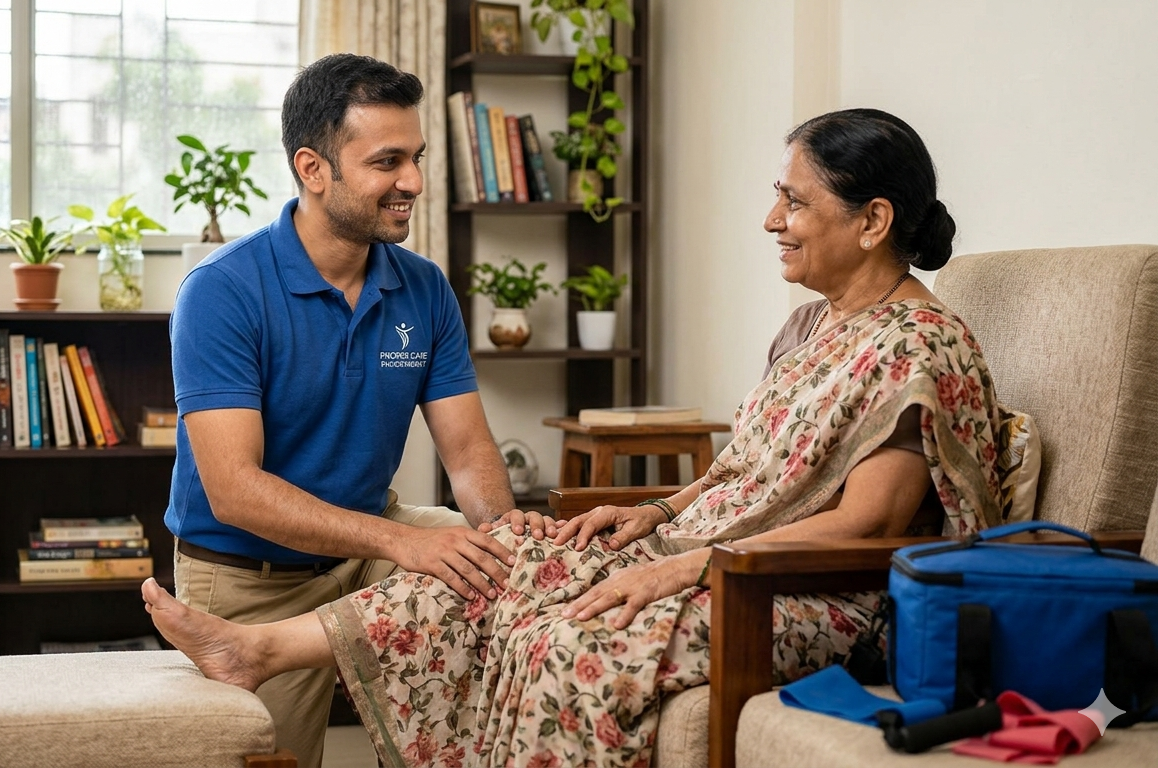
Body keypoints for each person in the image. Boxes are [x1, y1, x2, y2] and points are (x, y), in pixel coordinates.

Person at [148, 108, 1031, 768]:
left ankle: (268, 647)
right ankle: (257, 645)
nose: (771, 221)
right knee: (497, 570)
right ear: (313, 169)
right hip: (255, 558)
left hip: (789, 584)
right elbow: (747, 471)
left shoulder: (919, 347)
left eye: (792, 202)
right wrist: (653, 513)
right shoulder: (810, 329)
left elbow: (865, 528)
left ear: (872, 221)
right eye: (392, 160)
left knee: (543, 622)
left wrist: (686, 562)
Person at [165, 53, 549, 767]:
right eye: (388, 161)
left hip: (366, 544)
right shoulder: (221, 291)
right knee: (274, 759)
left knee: (497, 564)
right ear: (313, 169)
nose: (413, 183)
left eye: (417, 158)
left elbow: (466, 454)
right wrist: (401, 543)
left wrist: (502, 524)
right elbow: (233, 489)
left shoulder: (424, 289)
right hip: (249, 577)